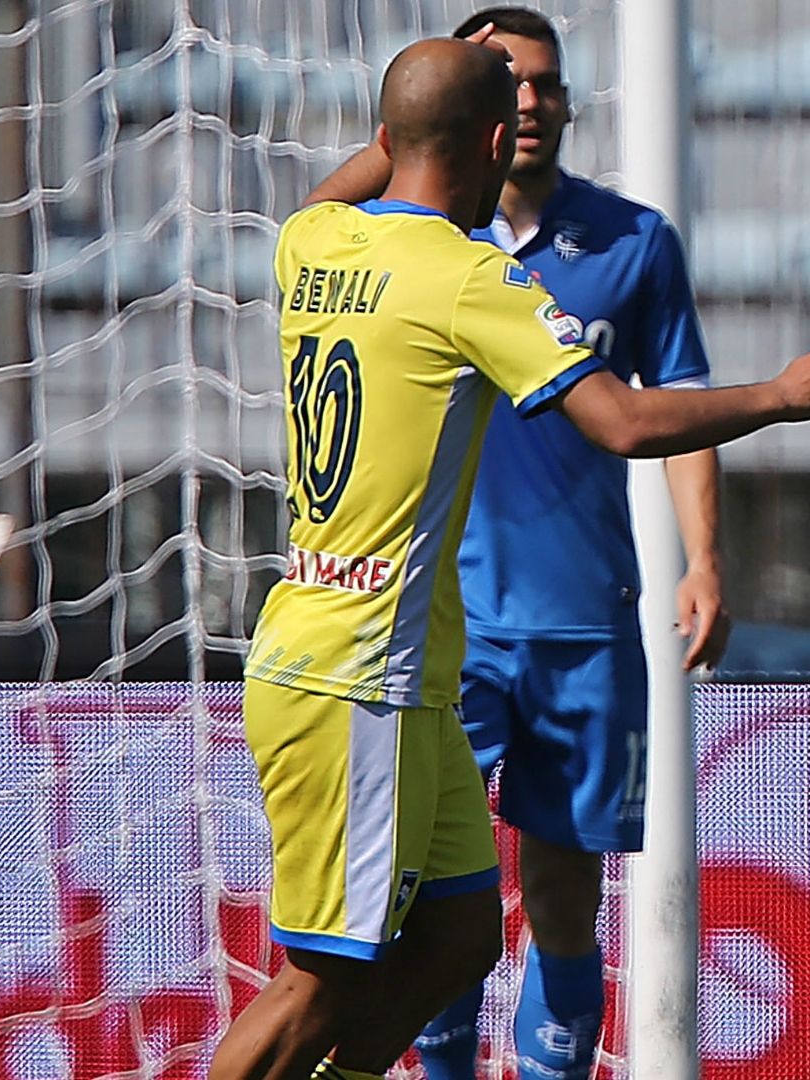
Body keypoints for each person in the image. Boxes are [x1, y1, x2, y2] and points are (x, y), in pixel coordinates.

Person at [211, 36, 810, 1080]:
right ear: (493, 142)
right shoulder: (475, 277)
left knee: (460, 937)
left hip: (365, 660)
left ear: (387, 136)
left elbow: (362, 169)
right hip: (361, 680)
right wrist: (784, 396)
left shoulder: (314, 239)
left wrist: (426, 105)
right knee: (321, 979)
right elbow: (621, 420)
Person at [304, 8, 737, 1077]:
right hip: (440, 626)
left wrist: (704, 558)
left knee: (562, 890)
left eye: (545, 80)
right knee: (426, 897)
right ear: (481, 114)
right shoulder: (415, 249)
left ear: (570, 101)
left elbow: (675, 406)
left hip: (583, 615)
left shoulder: (633, 242)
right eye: (507, 79)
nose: (531, 98)